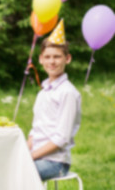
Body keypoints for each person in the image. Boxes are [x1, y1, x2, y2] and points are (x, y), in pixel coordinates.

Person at [27, 20, 81, 181]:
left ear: (68, 58)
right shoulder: (43, 92)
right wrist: (23, 152)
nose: (52, 62)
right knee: (6, 168)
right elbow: (35, 131)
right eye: (48, 57)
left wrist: (30, 156)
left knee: (19, 173)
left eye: (57, 57)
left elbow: (61, 138)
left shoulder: (68, 93)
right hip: (36, 156)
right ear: (41, 59)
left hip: (56, 162)